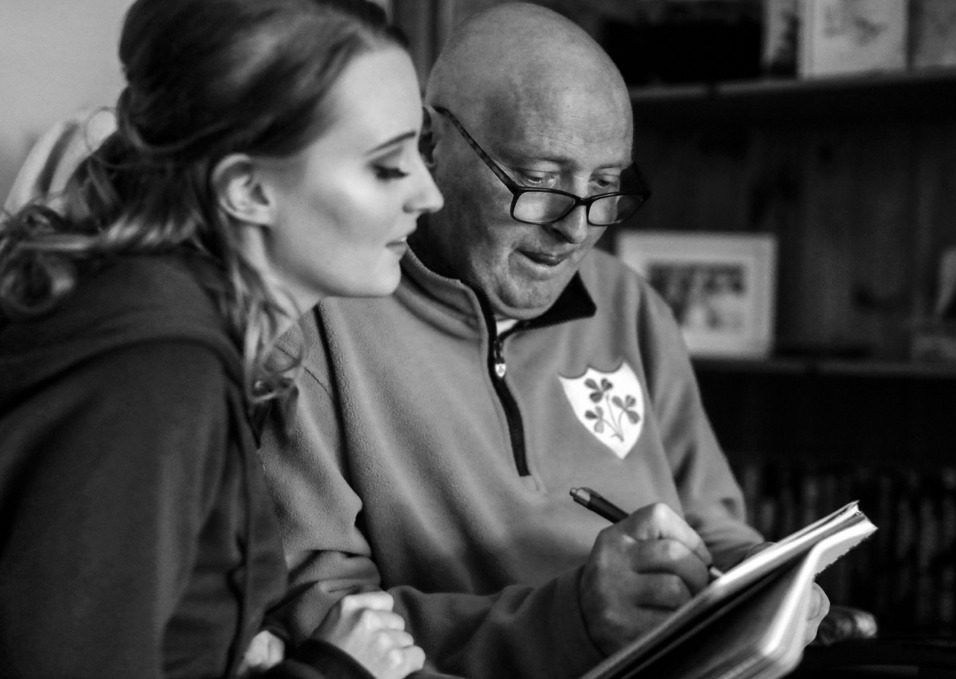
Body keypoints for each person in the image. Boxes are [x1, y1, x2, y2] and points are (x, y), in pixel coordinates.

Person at [256, 4, 829, 678]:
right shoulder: (316, 320)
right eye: (540, 181)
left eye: (606, 187)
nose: (574, 230)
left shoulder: (630, 304)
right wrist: (573, 618)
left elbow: (713, 526)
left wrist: (771, 589)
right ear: (432, 143)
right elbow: (328, 625)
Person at [0, 0, 444, 677]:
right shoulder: (152, 377)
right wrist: (333, 670)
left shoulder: (179, 332)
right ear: (247, 189)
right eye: (387, 165)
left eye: (422, 148)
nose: (429, 194)